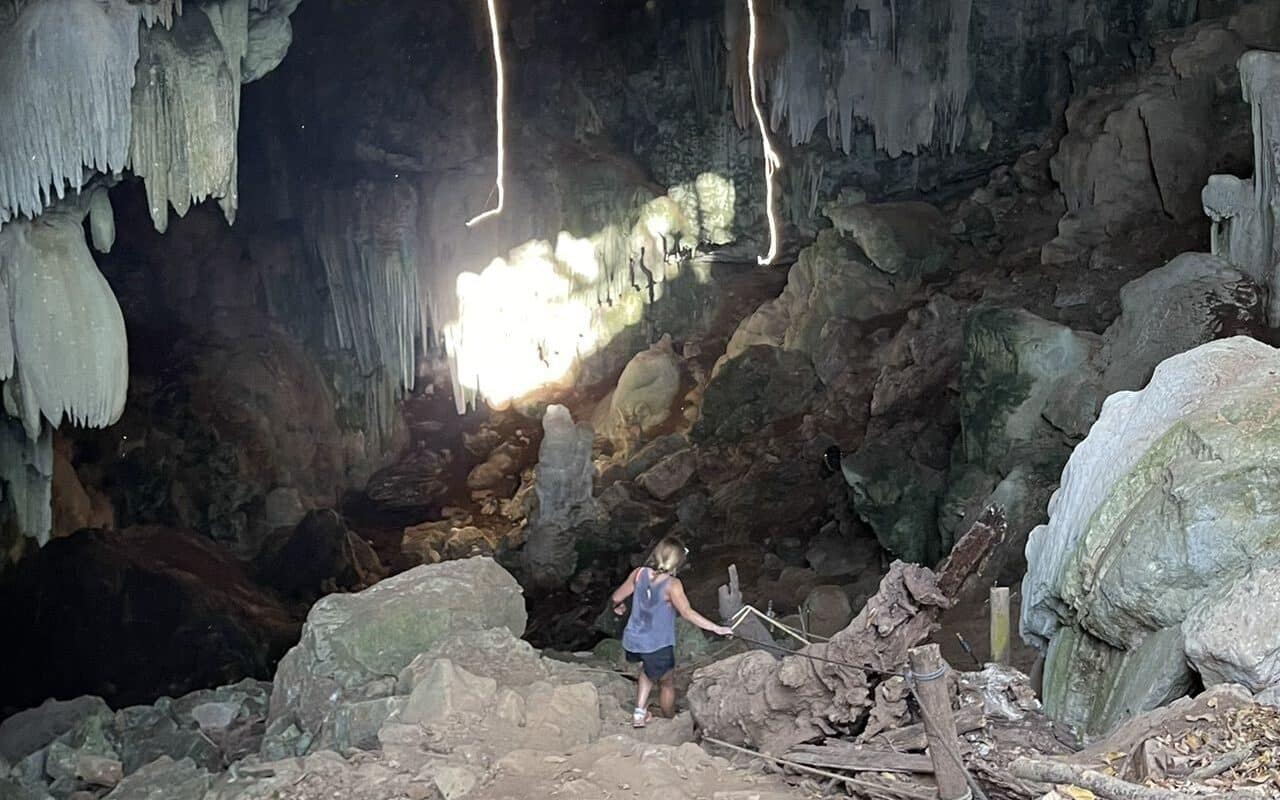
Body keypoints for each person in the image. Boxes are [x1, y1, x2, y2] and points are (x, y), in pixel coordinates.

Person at [609, 536, 733, 727]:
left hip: (633, 640)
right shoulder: (672, 585)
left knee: (648, 671)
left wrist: (618, 606)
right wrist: (717, 628)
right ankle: (669, 721)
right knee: (666, 682)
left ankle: (639, 712)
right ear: (678, 562)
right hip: (657, 644)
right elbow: (687, 613)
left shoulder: (639, 573)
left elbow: (617, 596)